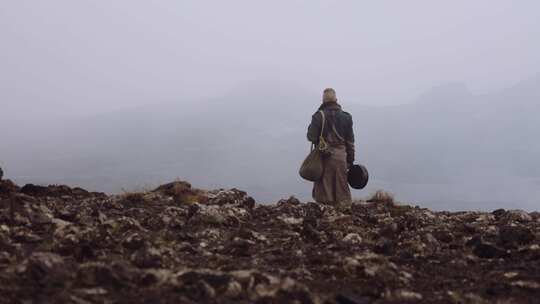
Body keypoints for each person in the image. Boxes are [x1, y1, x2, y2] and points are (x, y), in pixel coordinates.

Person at [307, 88, 355, 205]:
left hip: (324, 158)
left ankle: (327, 218)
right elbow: (350, 143)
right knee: (342, 196)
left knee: (324, 197)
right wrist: (350, 161)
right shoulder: (346, 117)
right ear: (336, 100)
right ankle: (343, 219)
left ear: (323, 101)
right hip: (341, 159)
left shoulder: (318, 116)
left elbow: (311, 137)